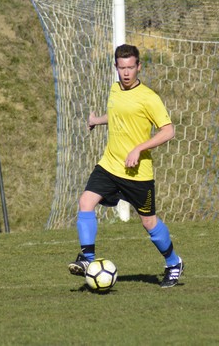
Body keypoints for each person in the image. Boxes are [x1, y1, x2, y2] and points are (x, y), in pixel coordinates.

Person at [68, 43, 184, 288]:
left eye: (131, 67)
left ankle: (173, 263)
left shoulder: (149, 98)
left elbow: (168, 131)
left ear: (139, 66)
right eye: (122, 68)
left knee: (149, 222)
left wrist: (139, 148)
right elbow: (118, 115)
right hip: (110, 166)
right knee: (86, 202)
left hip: (137, 174)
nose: (127, 73)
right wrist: (97, 120)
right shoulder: (114, 89)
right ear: (116, 67)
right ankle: (87, 258)